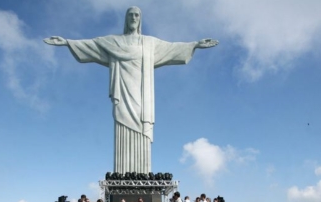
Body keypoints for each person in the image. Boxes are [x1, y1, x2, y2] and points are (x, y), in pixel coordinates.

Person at [44, 7, 218, 174]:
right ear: (126, 20)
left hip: (143, 96)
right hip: (123, 91)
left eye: (136, 15)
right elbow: (92, 45)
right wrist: (67, 42)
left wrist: (194, 44)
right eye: (131, 15)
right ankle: (122, 172)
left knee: (141, 128)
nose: (134, 18)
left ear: (140, 19)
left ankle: (142, 172)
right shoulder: (114, 42)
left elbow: (172, 48)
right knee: (122, 124)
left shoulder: (150, 43)